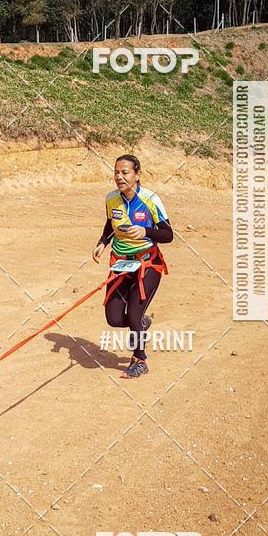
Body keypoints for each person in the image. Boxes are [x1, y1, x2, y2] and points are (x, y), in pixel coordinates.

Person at [92, 154, 173, 378]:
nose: (119, 177)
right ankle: (141, 325)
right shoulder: (111, 199)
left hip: (147, 264)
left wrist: (145, 231)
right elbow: (110, 224)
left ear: (137, 175)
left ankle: (140, 360)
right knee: (115, 318)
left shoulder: (150, 200)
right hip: (121, 264)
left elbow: (168, 234)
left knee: (134, 314)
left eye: (125, 172)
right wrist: (102, 243)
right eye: (116, 172)